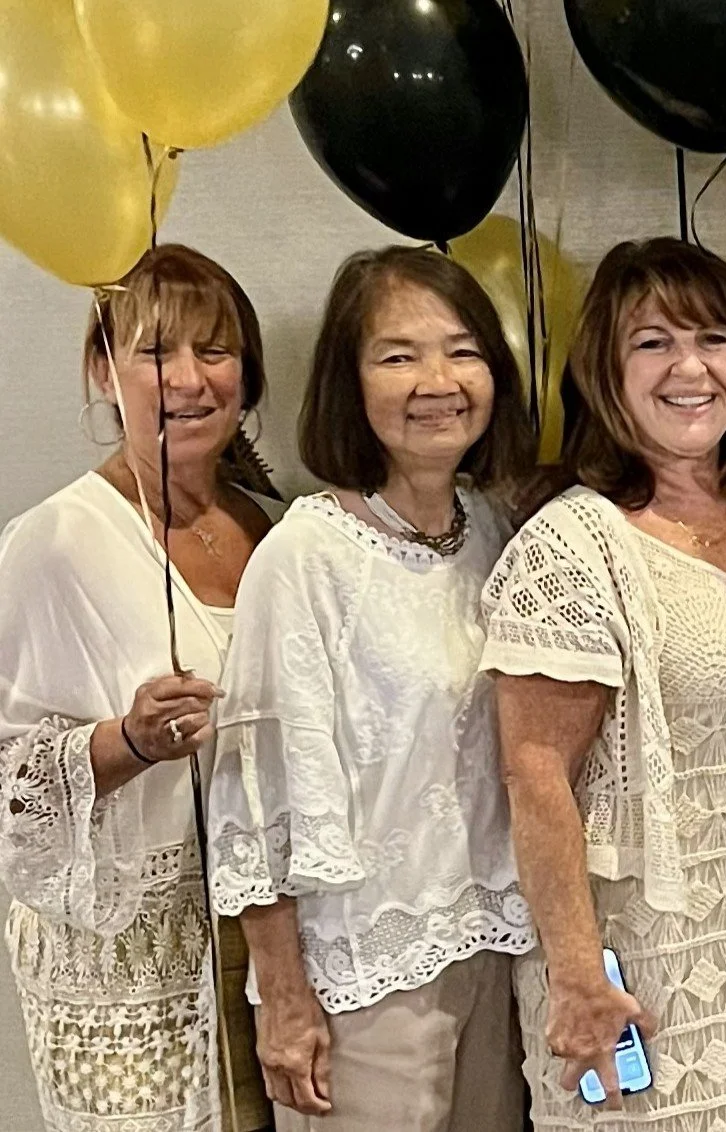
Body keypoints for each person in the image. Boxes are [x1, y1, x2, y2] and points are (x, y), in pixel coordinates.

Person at [480, 237, 726, 1130]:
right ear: (605, 375)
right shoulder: (573, 547)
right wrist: (577, 978)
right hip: (651, 985)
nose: (690, 367)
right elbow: (534, 774)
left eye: (713, 339)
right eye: (653, 343)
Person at [207, 246, 537, 1131]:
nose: (438, 381)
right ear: (348, 383)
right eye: (398, 355)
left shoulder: (496, 530)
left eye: (463, 351)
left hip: (494, 946)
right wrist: (283, 1000)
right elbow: (254, 798)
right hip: (359, 976)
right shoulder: (307, 554)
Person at [0, 244, 280, 1131]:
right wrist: (126, 742)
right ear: (103, 369)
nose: (189, 379)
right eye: (157, 352)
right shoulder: (56, 542)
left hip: (277, 942)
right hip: (134, 971)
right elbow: (7, 784)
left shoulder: (276, 527)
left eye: (215, 350)